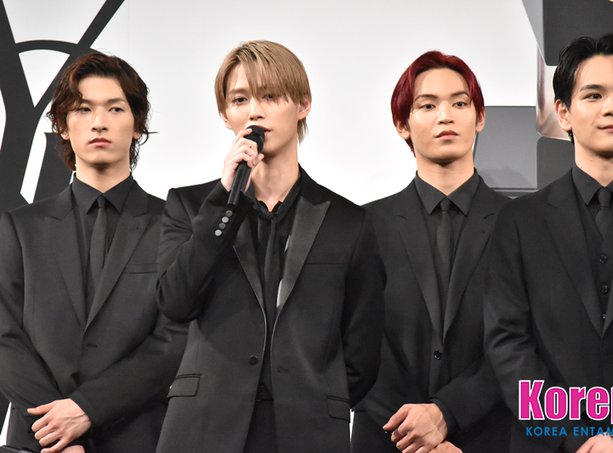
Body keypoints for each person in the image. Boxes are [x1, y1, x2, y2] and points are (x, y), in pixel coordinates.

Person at [154, 40, 384, 453]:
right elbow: (175, 301)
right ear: (226, 115)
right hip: (205, 429)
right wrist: (226, 201)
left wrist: (314, 396)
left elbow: (362, 351)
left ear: (303, 104)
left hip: (307, 431)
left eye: (271, 96)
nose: (254, 112)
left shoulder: (348, 222)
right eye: (240, 99)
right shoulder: (191, 207)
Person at [484, 34, 613, 452]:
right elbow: (508, 343)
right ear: (563, 113)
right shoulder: (519, 221)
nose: (612, 107)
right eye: (593, 95)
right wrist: (572, 437)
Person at [0, 52, 185, 453]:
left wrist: (87, 409)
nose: (99, 122)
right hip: (38, 443)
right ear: (62, 126)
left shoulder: (174, 224)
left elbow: (175, 338)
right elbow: (4, 337)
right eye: (83, 109)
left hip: (139, 438)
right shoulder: (20, 227)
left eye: (115, 108)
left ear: (137, 125)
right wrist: (56, 431)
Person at [352, 51, 510, 453]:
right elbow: (348, 343)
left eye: (459, 103)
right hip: (388, 439)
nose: (445, 116)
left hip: (491, 436)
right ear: (402, 124)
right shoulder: (362, 226)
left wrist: (447, 413)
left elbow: (529, 341)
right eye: (427, 105)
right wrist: (416, 434)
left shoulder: (524, 225)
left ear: (480, 117)